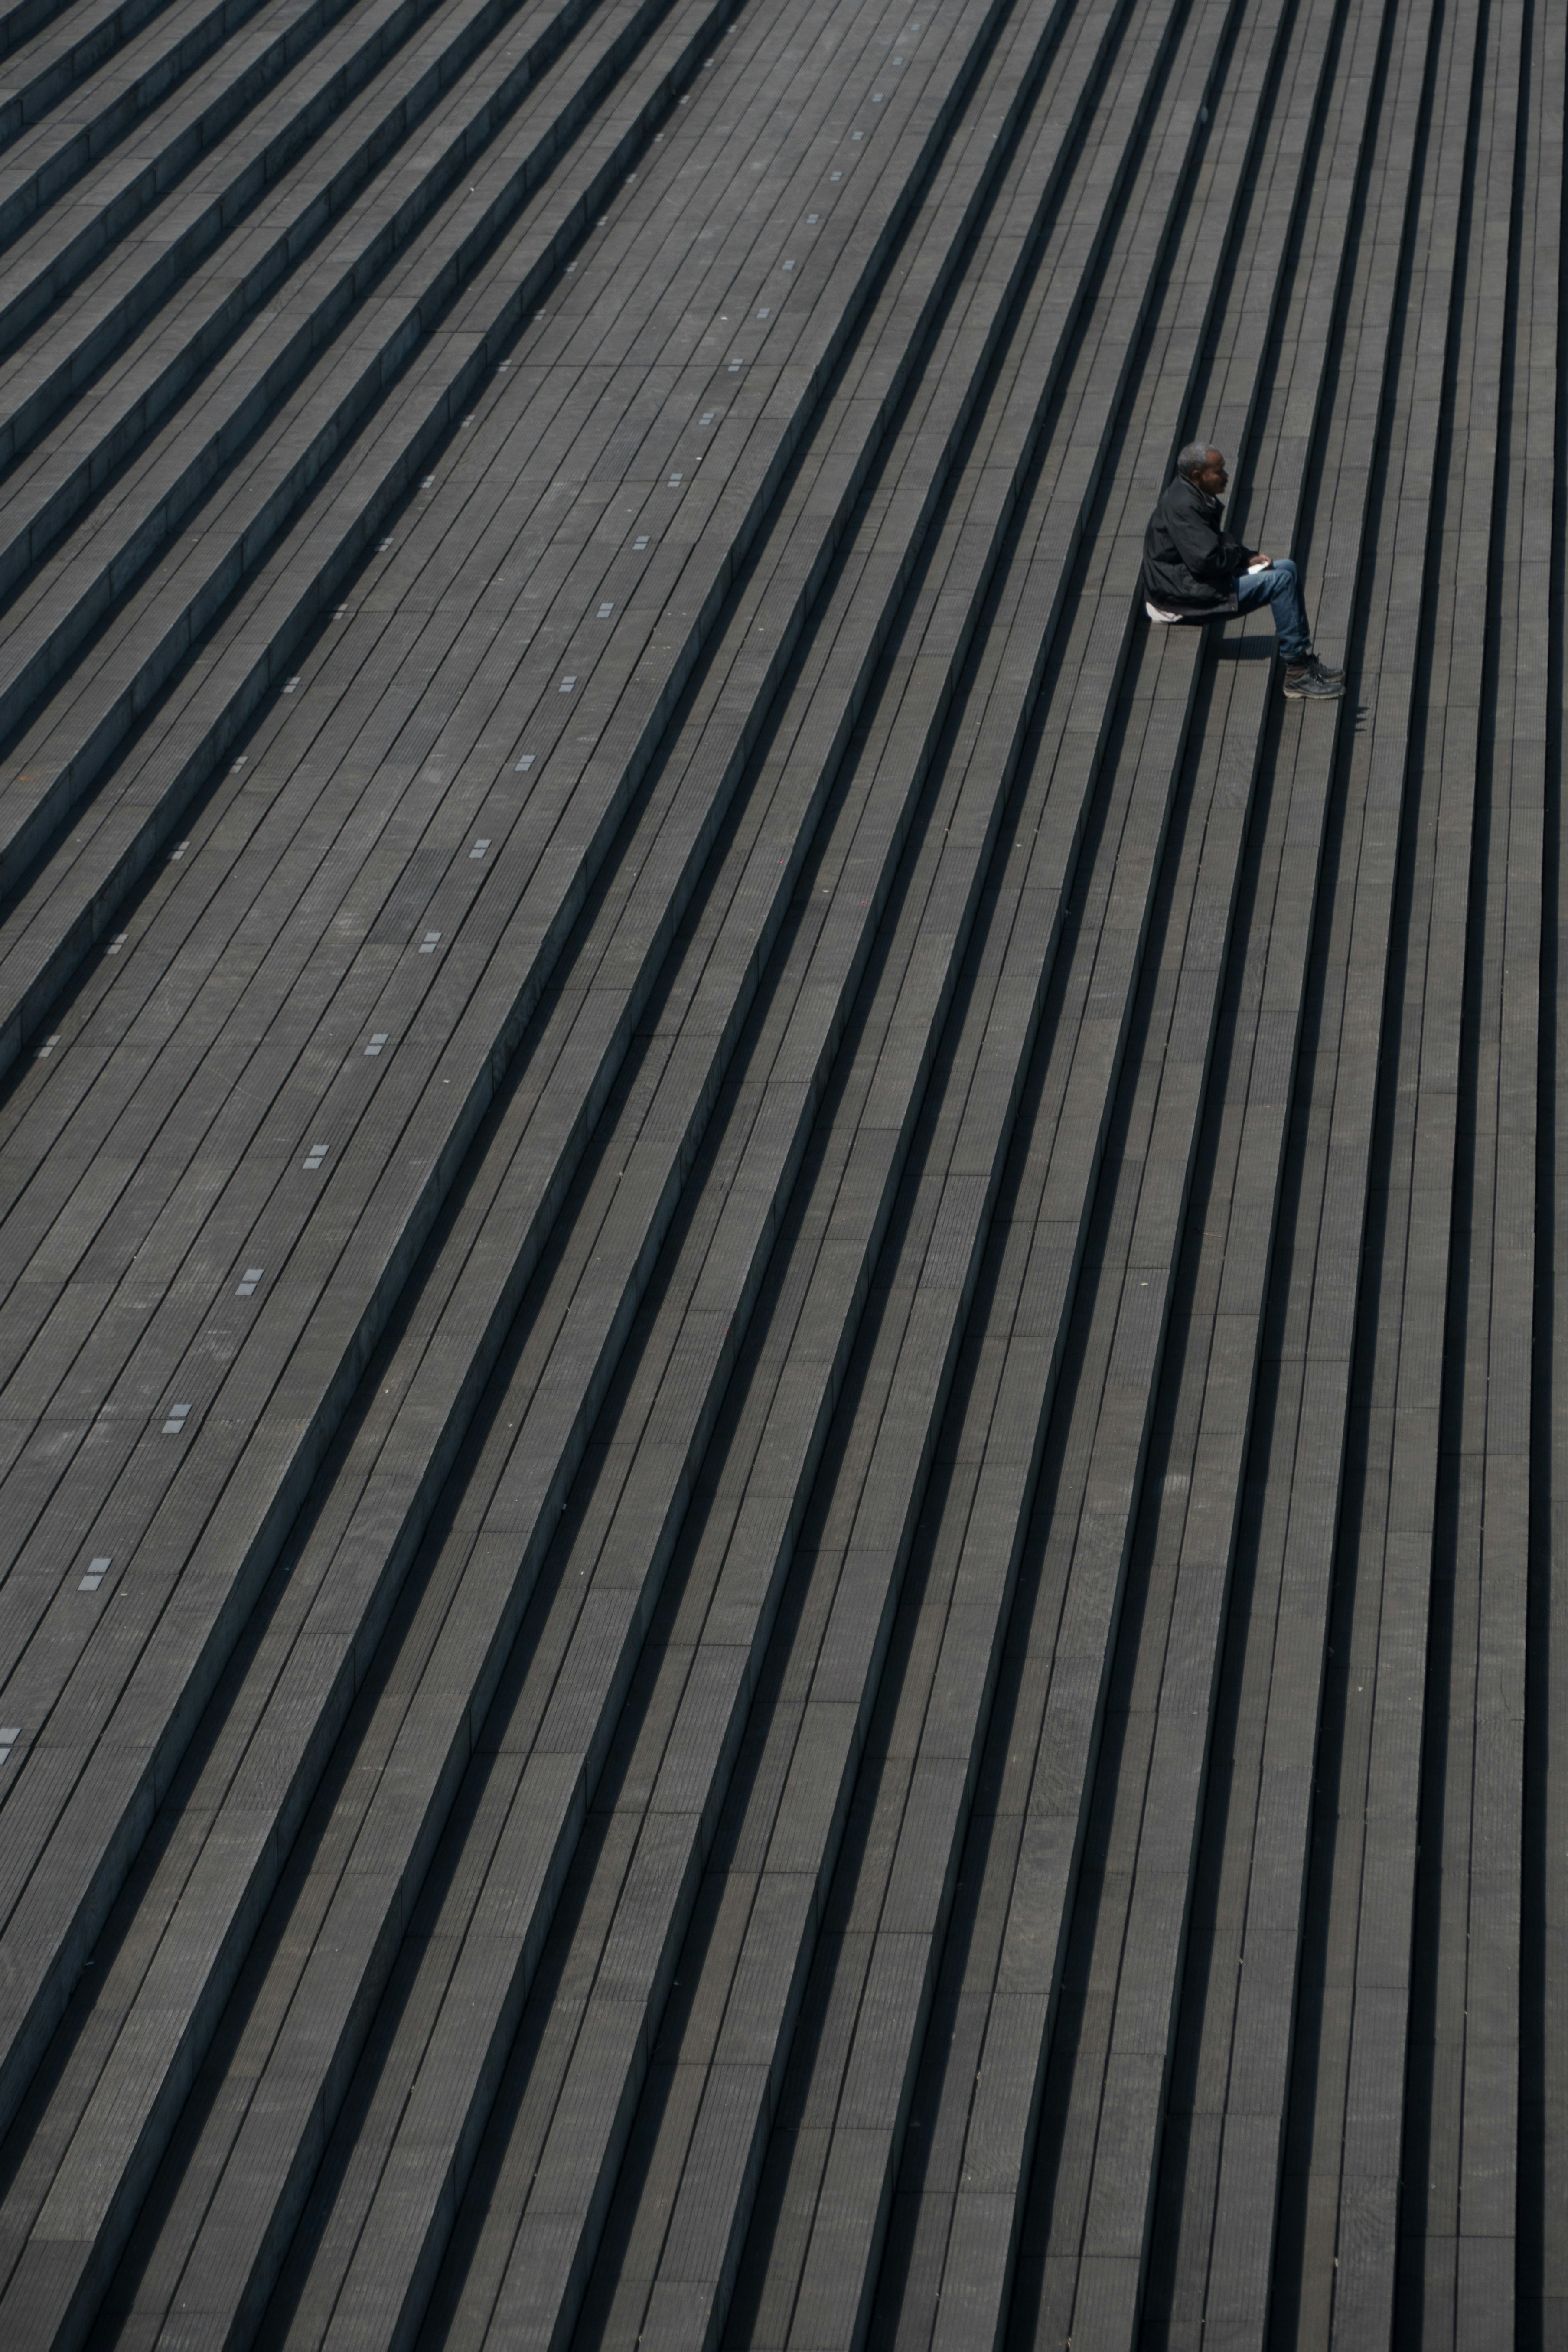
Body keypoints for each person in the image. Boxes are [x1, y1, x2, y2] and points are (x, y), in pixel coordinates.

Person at [1139, 444, 1343, 700]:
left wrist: (1247, 557)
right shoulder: (1184, 508)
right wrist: (1238, 557)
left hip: (1190, 582)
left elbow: (1212, 544)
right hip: (1180, 597)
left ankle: (1302, 658)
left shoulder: (1192, 495)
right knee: (1279, 581)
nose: (1226, 476)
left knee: (1287, 567)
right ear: (1197, 476)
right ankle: (1297, 673)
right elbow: (1207, 561)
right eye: (1219, 471)